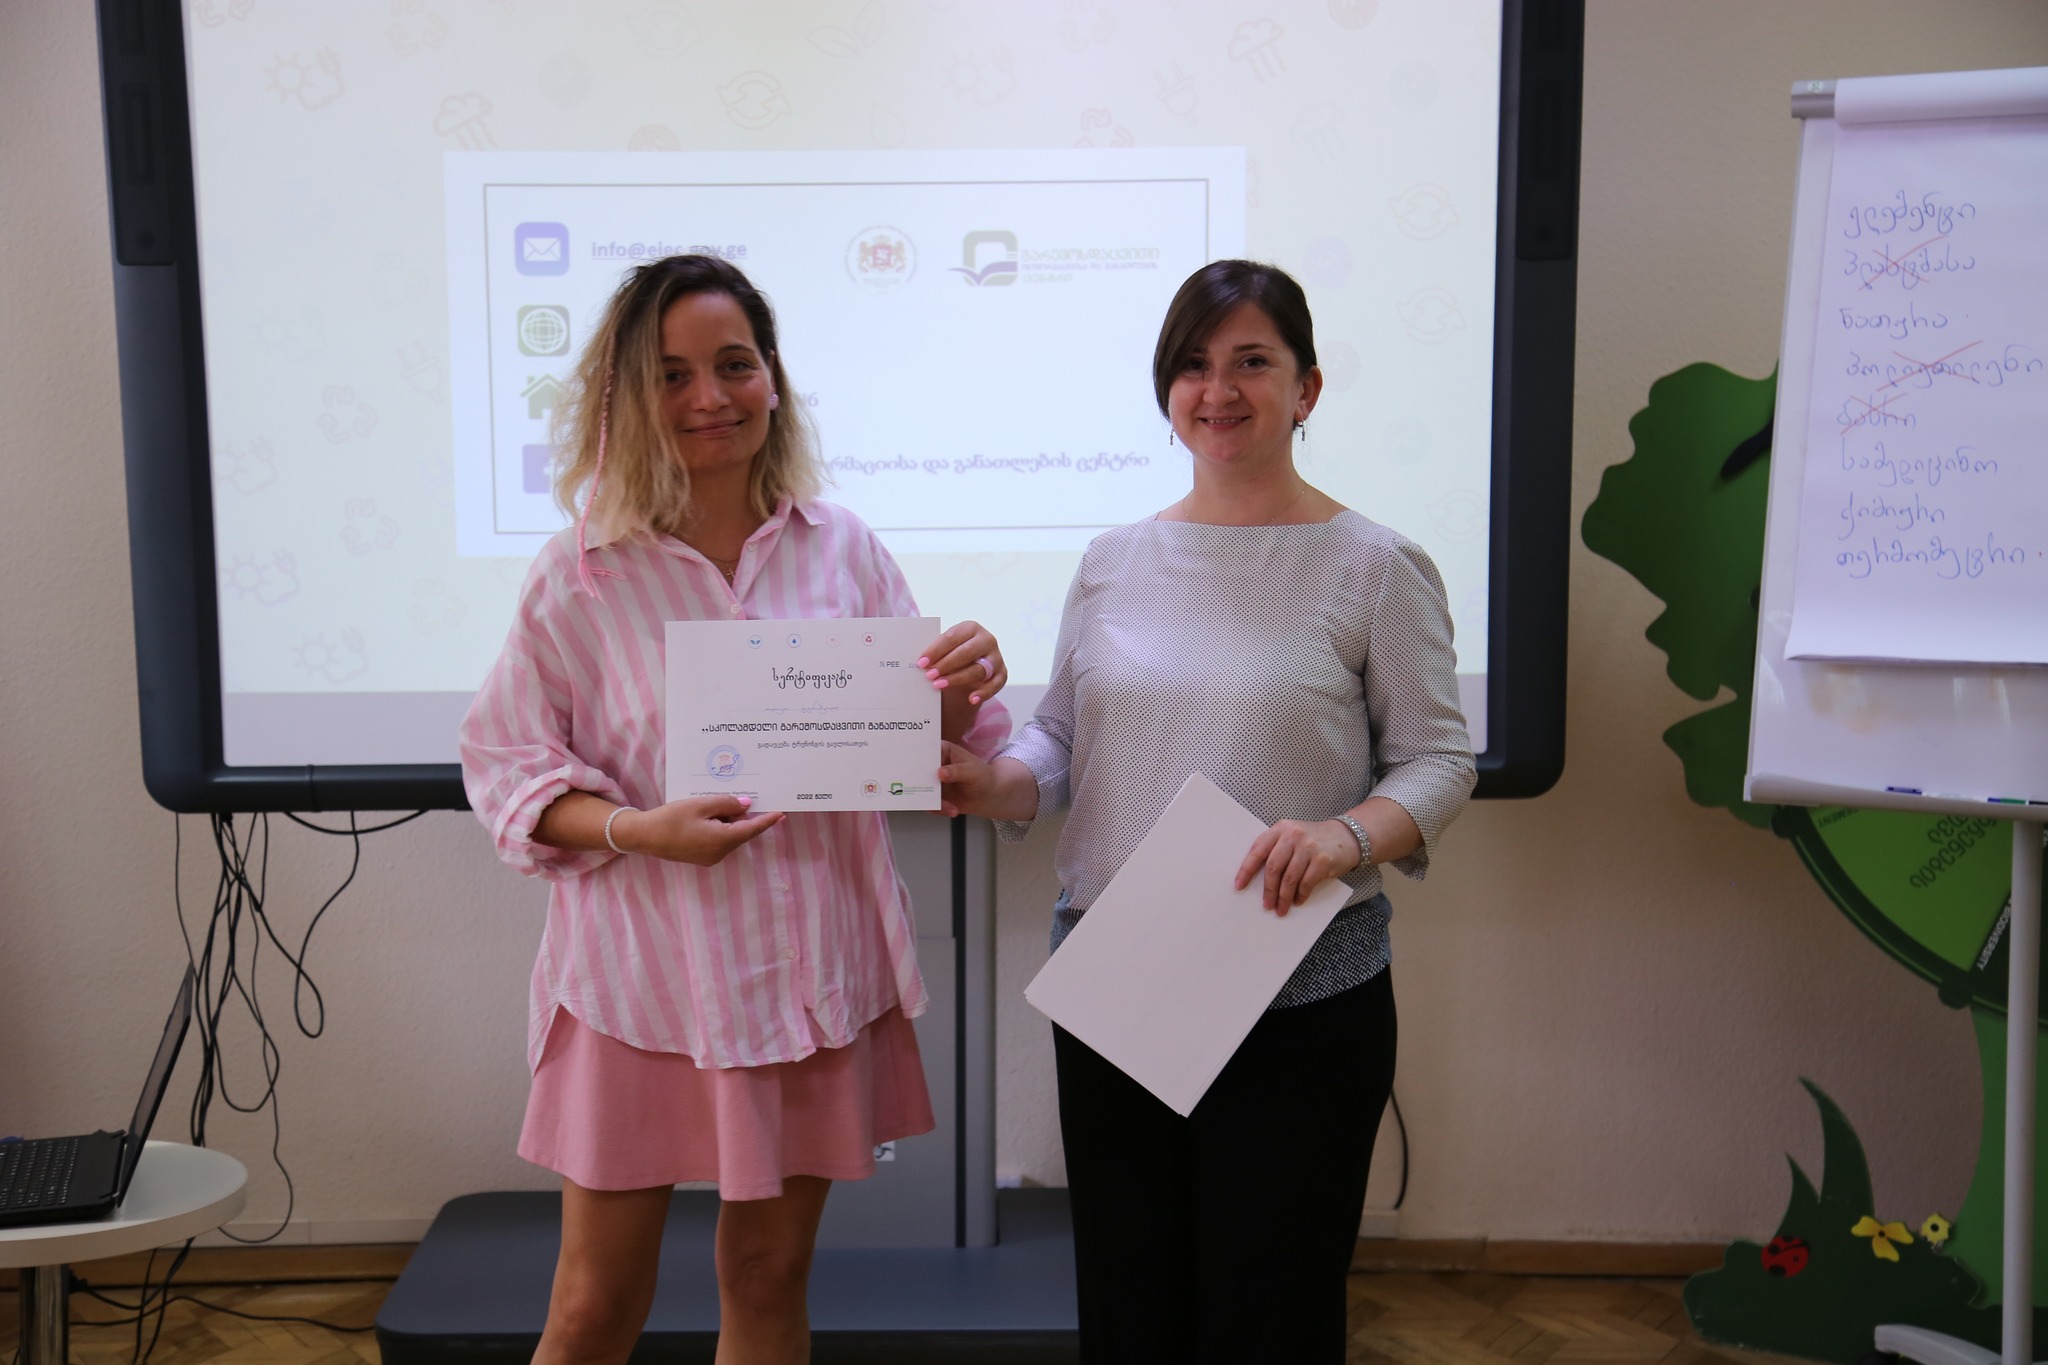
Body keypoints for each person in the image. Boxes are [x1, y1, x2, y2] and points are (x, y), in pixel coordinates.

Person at [460, 253, 1009, 1365]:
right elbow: (506, 766)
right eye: (671, 375)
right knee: (591, 1306)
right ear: (625, 399)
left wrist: (962, 686)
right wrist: (635, 828)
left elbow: (926, 746)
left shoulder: (842, 547)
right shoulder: (580, 574)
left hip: (805, 978)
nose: (709, 397)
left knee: (767, 1278)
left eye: (734, 364)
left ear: (773, 376)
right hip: (639, 985)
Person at [938, 259, 1475, 1363]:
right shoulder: (1112, 561)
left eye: (1250, 362)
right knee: (1130, 1304)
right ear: (1166, 389)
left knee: (1269, 1313)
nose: (1217, 390)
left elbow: (1437, 760)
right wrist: (996, 783)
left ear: (1306, 388)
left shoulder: (1375, 565)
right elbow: (1059, 739)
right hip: (1120, 978)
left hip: (1301, 995)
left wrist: (1344, 836)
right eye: (1192, 365)